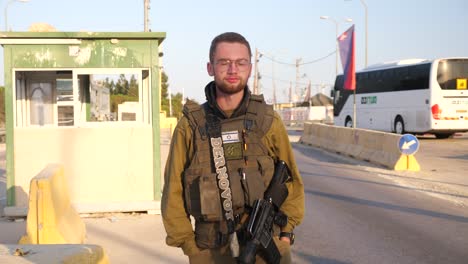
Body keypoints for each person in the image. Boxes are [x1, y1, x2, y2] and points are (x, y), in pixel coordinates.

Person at [161, 32, 304, 264]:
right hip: (209, 251)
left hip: (266, 249)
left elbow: (292, 182)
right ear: (210, 67)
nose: (232, 70)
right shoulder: (190, 126)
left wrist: (285, 234)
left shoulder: (268, 121)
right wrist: (190, 247)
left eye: (240, 62)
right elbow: (172, 192)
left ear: (250, 67)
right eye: (224, 62)